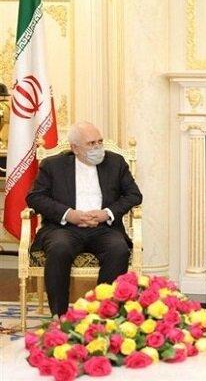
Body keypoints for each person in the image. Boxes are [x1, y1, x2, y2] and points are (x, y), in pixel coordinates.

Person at [26, 121, 143, 317]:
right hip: (63, 228)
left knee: (118, 249)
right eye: (91, 143)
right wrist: (69, 214)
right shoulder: (53, 165)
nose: (98, 147)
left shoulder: (115, 162)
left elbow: (134, 195)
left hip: (104, 227)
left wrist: (107, 213)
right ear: (75, 148)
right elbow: (35, 198)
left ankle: (102, 313)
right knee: (59, 248)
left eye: (100, 141)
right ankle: (60, 316)